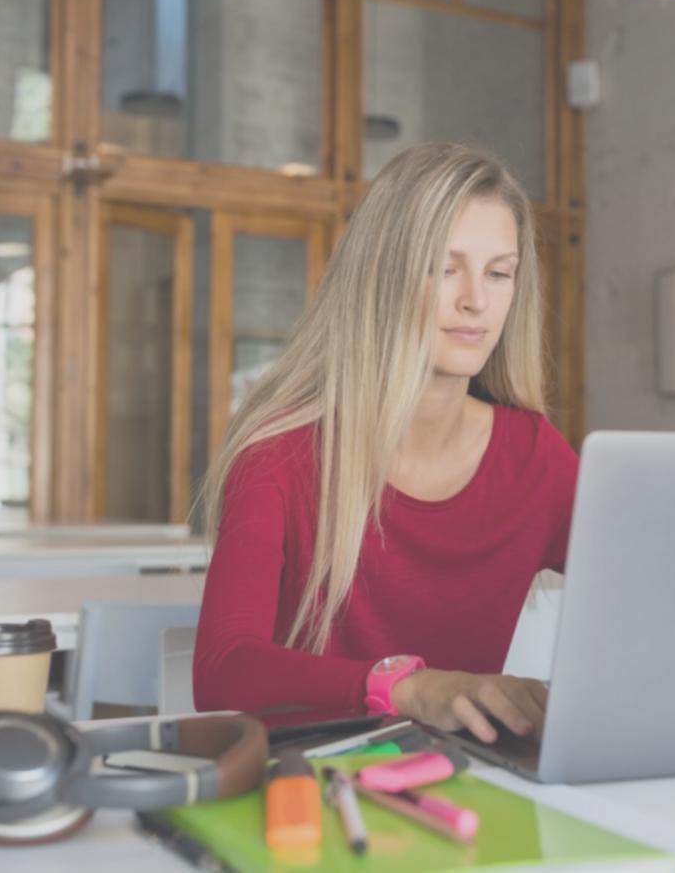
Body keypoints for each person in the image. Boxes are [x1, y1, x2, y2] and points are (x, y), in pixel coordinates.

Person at [192, 143, 577, 743]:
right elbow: (222, 671)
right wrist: (410, 688)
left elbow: (654, 595)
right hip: (307, 778)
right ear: (382, 276)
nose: (476, 299)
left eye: (498, 273)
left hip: (469, 779)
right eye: (443, 268)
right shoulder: (281, 454)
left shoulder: (534, 457)